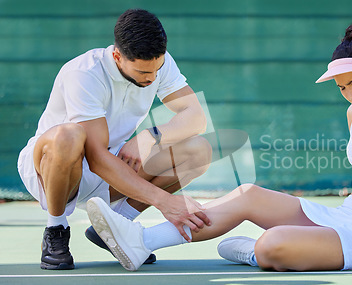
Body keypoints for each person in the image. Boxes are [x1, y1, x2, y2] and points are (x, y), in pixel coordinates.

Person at [85, 21, 352, 272]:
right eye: (342, 89)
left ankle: (256, 251)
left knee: (272, 246)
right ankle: (142, 241)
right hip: (343, 216)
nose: (350, 96)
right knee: (247, 193)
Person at [17, 9, 212, 270]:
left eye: (157, 69)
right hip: (55, 170)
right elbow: (96, 158)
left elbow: (196, 117)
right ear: (118, 56)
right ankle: (56, 229)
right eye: (143, 72)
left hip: (111, 163)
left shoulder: (159, 63)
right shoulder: (84, 73)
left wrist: (149, 136)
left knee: (198, 150)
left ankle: (116, 226)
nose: (152, 78)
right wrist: (164, 202)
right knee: (69, 135)